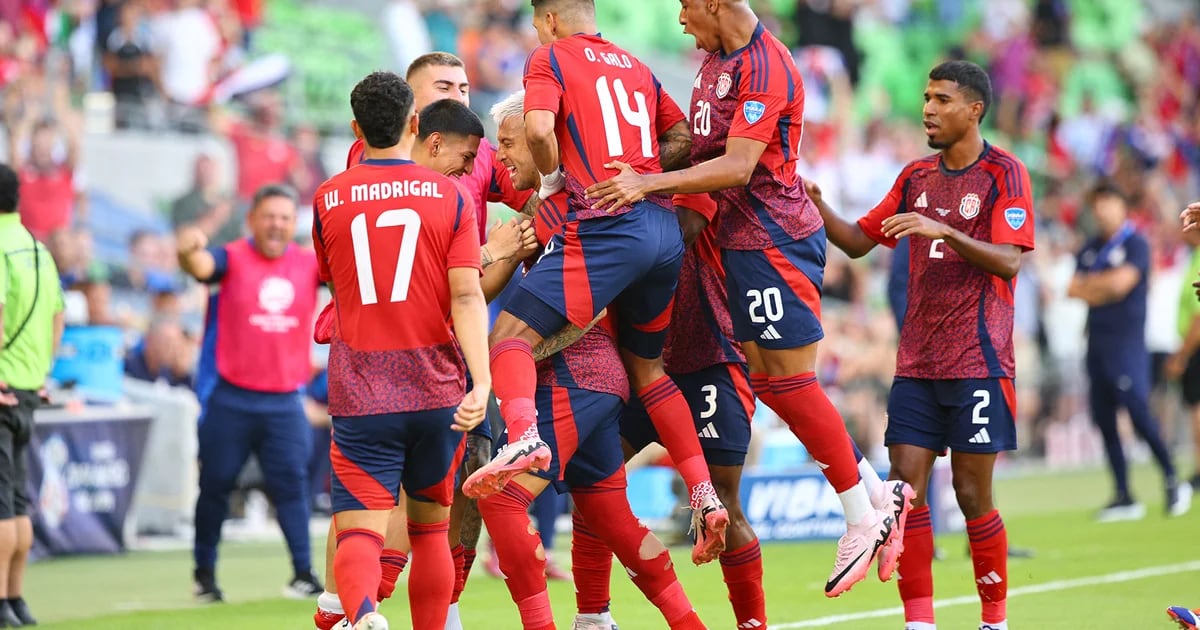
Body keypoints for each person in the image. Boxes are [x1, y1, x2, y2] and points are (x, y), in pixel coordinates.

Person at [583, 0, 903, 597]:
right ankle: (874, 495)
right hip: (742, 243)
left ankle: (863, 514)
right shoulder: (712, 64)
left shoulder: (767, 65)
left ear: (713, 4)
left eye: (685, 6)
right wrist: (640, 164)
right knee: (778, 384)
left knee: (786, 383)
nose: (680, 20)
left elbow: (736, 165)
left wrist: (644, 183)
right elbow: (703, 151)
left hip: (773, 238)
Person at [464, 0, 731, 568]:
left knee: (506, 335)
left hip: (606, 233)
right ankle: (703, 493)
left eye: (538, 23)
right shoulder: (635, 65)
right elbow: (683, 135)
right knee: (649, 374)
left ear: (551, 20)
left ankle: (522, 437)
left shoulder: (550, 57)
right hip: (658, 228)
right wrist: (641, 176)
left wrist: (563, 179)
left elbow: (539, 126)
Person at [811, 60, 1033, 630]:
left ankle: (994, 621)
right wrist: (815, 203)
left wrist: (948, 233)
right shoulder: (915, 178)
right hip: (916, 366)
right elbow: (860, 241)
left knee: (970, 492)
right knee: (903, 495)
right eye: (926, 98)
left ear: (974, 109)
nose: (929, 109)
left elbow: (1010, 260)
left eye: (941, 99)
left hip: (979, 362)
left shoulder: (1004, 174)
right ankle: (920, 623)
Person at [484, 89, 706, 630]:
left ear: (544, 142)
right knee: (616, 522)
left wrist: (494, 252)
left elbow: (482, 291)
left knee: (501, 499)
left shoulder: (568, 208)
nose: (500, 156)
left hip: (570, 374)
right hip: (603, 379)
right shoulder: (574, 206)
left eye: (509, 143)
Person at [311, 100, 537, 630]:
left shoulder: (329, 197)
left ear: (355, 129)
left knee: (360, 528)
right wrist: (482, 382)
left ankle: (361, 612)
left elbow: (335, 282)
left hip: (362, 385)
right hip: (436, 386)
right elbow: (465, 297)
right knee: (432, 531)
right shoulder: (448, 197)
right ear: (416, 127)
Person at [178, 183, 323, 602]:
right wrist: (187, 251)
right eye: (269, 216)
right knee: (217, 486)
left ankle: (303, 573)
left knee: (293, 488)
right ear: (252, 221)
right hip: (231, 398)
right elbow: (199, 265)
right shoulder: (232, 257)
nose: (277, 224)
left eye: (284, 217)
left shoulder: (309, 265)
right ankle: (204, 576)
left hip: (284, 401)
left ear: (293, 224)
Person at [1068, 181, 1190, 521]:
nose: (1101, 210)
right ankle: (1123, 494)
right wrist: (1105, 286)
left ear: (1122, 206)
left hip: (1127, 345)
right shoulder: (1090, 247)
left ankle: (1171, 478)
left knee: (1139, 414)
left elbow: (1123, 284)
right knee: (1104, 420)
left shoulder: (1135, 243)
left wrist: (1099, 286)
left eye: (1107, 202)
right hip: (1096, 345)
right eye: (1097, 204)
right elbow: (1074, 289)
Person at [0, 162, 64, 627]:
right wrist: (41, 371)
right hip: (27, 389)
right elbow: (57, 317)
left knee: (2, 503)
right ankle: (16, 599)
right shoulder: (38, 250)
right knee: (16, 500)